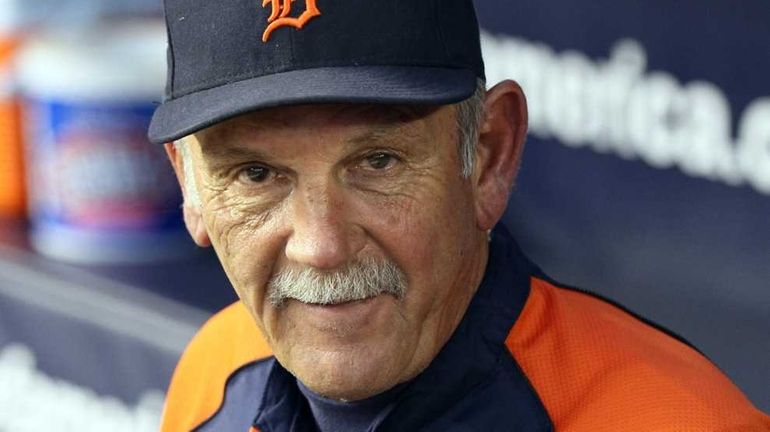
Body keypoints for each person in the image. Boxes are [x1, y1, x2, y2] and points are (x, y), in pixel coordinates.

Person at [148, 0, 770, 431]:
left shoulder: (684, 422)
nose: (322, 245)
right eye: (256, 175)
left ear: (490, 155)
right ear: (192, 187)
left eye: (379, 162)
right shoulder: (216, 372)